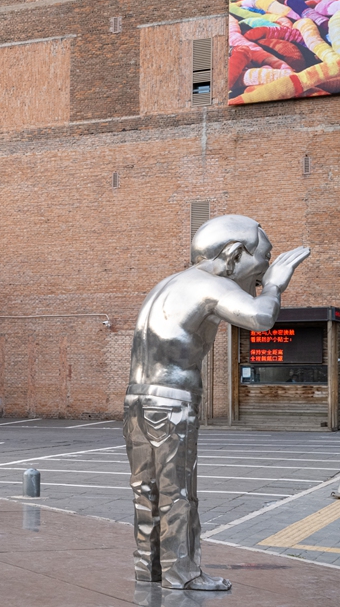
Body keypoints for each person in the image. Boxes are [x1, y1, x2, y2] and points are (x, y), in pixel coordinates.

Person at [126, 215, 308, 590]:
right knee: (178, 492)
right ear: (235, 254)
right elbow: (260, 318)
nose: (265, 270)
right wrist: (273, 287)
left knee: (146, 489)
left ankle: (149, 568)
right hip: (172, 402)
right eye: (264, 259)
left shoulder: (169, 283)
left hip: (137, 400)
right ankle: (183, 573)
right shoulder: (210, 285)